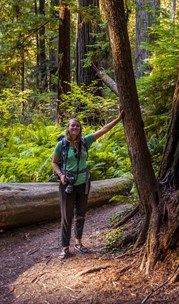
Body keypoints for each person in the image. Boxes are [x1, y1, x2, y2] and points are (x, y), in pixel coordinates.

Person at [52, 111, 124, 260]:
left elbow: (104, 130)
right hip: (67, 184)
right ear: (68, 127)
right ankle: (65, 247)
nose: (75, 128)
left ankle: (78, 243)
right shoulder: (62, 144)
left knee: (81, 214)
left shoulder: (86, 141)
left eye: (77, 126)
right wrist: (61, 175)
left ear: (80, 128)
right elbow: (54, 162)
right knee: (66, 216)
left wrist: (118, 118)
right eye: (72, 125)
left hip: (83, 183)